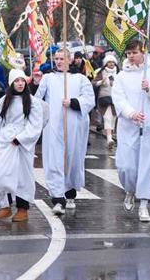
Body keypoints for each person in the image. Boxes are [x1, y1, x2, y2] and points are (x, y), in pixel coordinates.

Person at [111, 39, 150, 223]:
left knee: (147, 166)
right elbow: (118, 99)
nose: (131, 56)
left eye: (134, 53)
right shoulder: (121, 77)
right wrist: (131, 113)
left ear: (143, 53)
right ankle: (130, 190)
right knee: (126, 166)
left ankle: (144, 204)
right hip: (129, 126)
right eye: (128, 53)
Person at [34, 48, 95, 215]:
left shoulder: (80, 79)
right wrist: (35, 83)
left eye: (62, 58)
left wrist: (74, 102)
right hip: (53, 125)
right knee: (54, 159)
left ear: (69, 60)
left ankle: (70, 193)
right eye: (57, 59)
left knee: (72, 159)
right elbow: (37, 100)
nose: (59, 61)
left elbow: (90, 99)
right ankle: (57, 199)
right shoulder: (48, 78)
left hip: (74, 126)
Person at [0, 69, 43, 222]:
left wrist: (21, 138)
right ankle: (5, 206)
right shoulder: (3, 101)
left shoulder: (32, 102)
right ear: (11, 83)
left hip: (23, 145)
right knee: (1, 173)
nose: (20, 84)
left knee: (22, 176)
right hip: (5, 142)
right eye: (16, 81)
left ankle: (22, 208)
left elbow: (35, 125)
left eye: (22, 80)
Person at [93, 54, 119, 150]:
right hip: (105, 98)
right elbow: (93, 83)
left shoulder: (119, 73)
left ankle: (110, 137)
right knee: (108, 117)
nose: (111, 64)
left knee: (113, 118)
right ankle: (109, 138)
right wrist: (101, 82)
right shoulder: (101, 72)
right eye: (109, 62)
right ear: (106, 63)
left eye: (113, 62)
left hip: (116, 99)